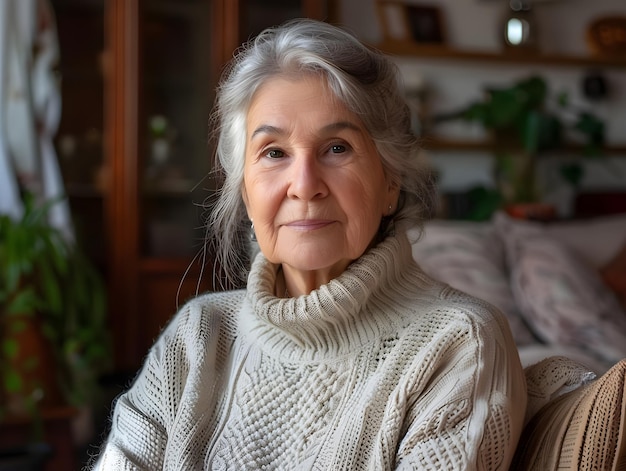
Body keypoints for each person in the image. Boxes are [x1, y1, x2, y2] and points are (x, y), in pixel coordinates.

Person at [91, 18, 526, 470]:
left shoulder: (456, 344)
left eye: (337, 148)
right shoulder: (198, 335)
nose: (304, 185)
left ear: (390, 181)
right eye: (274, 153)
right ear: (245, 190)